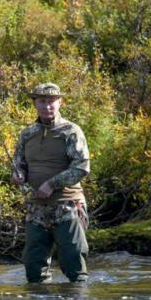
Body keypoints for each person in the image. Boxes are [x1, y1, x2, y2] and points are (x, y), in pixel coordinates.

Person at [12, 82, 90, 283]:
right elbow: (19, 164)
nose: (47, 106)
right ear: (35, 104)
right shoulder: (27, 134)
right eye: (42, 101)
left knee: (74, 264)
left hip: (68, 206)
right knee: (33, 267)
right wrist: (18, 174)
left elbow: (81, 167)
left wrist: (51, 185)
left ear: (60, 103)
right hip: (36, 208)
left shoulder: (71, 131)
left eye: (51, 101)